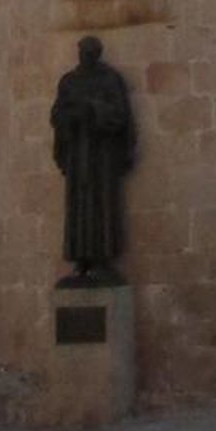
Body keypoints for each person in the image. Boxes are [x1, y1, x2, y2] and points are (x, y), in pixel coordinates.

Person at [50, 35, 136, 285]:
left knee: (101, 206)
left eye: (89, 52)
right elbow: (57, 114)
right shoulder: (69, 81)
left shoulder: (110, 80)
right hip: (78, 155)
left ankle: (102, 260)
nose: (85, 55)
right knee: (77, 206)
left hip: (102, 157)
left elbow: (120, 115)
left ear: (96, 54)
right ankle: (80, 261)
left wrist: (94, 108)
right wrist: (71, 116)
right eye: (83, 51)